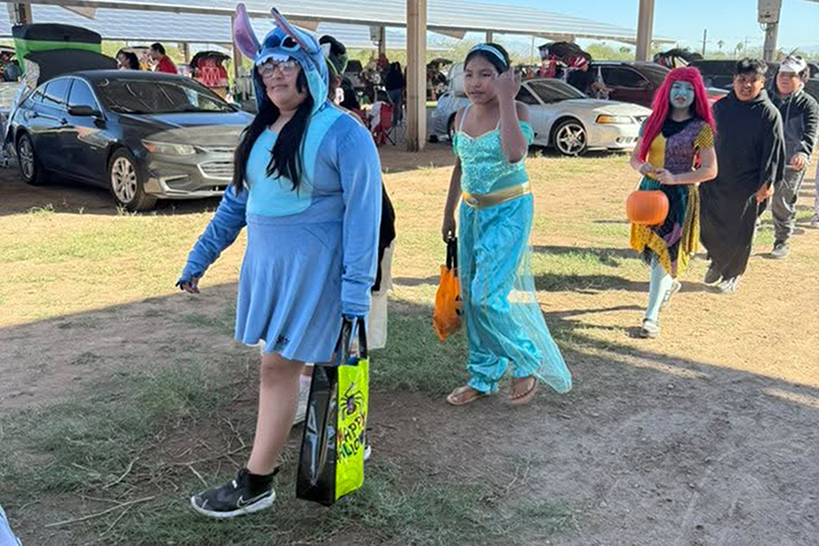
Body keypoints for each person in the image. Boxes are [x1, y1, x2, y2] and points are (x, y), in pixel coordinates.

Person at [177, 9, 382, 518]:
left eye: (285, 63)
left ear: (310, 68)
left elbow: (364, 215)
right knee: (297, 365)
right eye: (265, 66)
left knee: (277, 367)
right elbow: (236, 205)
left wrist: (355, 289)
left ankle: (256, 480)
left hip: (317, 272)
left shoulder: (343, 132)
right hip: (270, 271)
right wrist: (200, 257)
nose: (273, 73)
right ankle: (345, 440)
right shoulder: (261, 131)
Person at [440, 43, 571, 406]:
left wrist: (509, 101)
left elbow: (515, 153)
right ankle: (482, 375)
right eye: (469, 74)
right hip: (470, 214)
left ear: (504, 78)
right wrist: (448, 212)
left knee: (485, 296)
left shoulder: (520, 110)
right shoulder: (462, 114)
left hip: (509, 212)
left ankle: (526, 359)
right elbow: (459, 167)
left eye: (485, 75)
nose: (475, 83)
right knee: (471, 295)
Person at [629, 68, 718, 338]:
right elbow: (634, 158)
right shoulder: (652, 122)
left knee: (664, 254)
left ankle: (651, 316)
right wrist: (643, 168)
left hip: (679, 197)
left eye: (689, 89)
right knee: (655, 253)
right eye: (677, 87)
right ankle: (667, 286)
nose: (682, 93)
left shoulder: (702, 129)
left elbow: (710, 170)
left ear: (697, 94)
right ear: (667, 90)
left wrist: (676, 177)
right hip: (649, 195)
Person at [699, 58, 785, 293]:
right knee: (708, 224)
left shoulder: (769, 114)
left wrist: (766, 183)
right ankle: (717, 262)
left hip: (748, 184)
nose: (746, 85)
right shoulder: (721, 107)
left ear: (763, 82)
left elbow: (774, 153)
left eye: (752, 81)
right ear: (734, 81)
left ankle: (732, 274)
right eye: (741, 80)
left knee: (739, 230)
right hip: (715, 179)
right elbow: (706, 139)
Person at [769, 55, 819, 258]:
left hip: (792, 161)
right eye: (782, 74)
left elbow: (811, 131)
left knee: (782, 200)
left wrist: (803, 151)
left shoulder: (808, 104)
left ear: (802, 79)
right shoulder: (766, 98)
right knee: (753, 198)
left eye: (791, 76)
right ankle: (745, 237)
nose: (785, 79)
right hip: (764, 158)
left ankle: (781, 240)